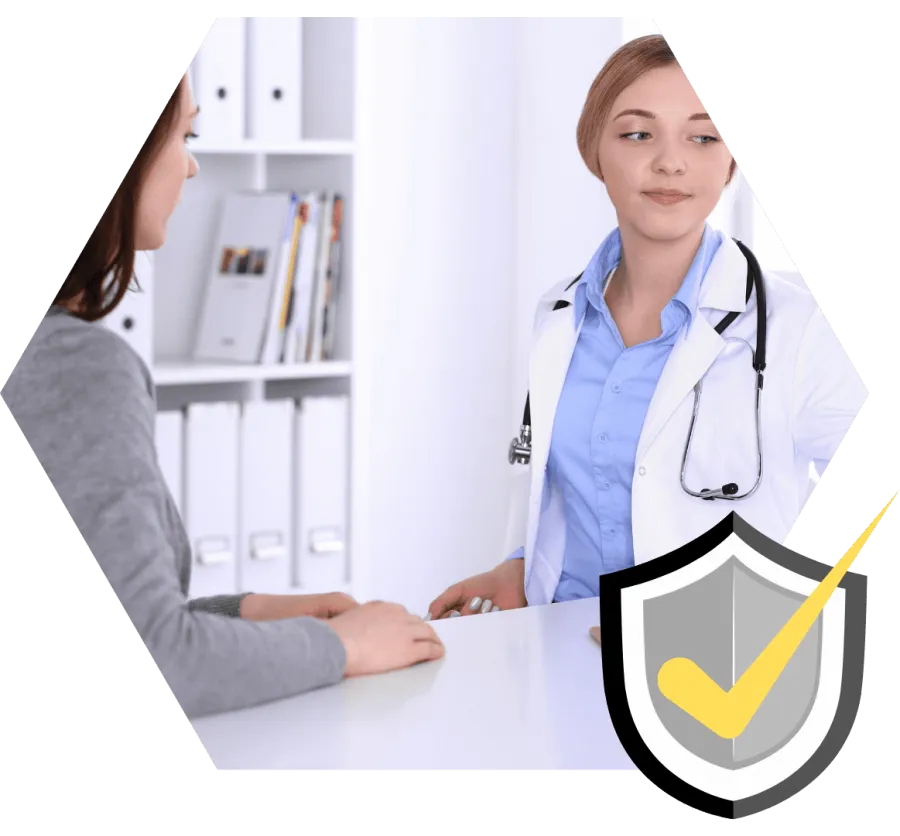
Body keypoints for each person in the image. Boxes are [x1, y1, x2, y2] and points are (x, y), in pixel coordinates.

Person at [0, 73, 444, 719]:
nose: (191, 164)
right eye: (184, 136)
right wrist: (341, 646)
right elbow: (162, 657)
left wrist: (247, 614)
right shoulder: (76, 367)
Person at [427, 34, 868, 620]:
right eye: (638, 134)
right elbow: (561, 496)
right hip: (559, 640)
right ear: (594, 152)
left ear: (731, 159)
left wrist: (756, 615)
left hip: (713, 664)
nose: (671, 162)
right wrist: (518, 568)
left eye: (703, 136)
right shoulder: (558, 314)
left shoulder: (800, 326)